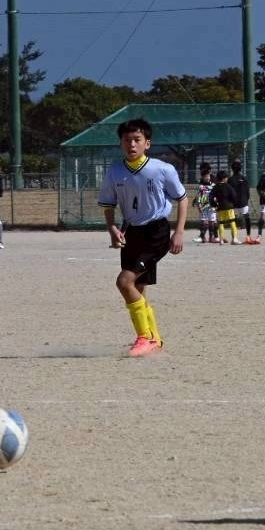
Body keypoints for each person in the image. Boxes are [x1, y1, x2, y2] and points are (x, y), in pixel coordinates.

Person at [99, 117, 188, 357]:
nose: (132, 144)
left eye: (137, 139)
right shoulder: (114, 172)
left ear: (147, 143)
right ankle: (154, 338)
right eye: (127, 140)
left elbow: (182, 199)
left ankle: (144, 337)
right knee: (138, 287)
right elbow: (108, 204)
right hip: (131, 232)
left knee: (124, 282)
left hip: (156, 232)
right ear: (120, 143)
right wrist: (112, 228)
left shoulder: (162, 169)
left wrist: (179, 232)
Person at [229, 159, 253, 245]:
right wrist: (246, 199)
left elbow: (229, 192)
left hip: (234, 203)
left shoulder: (230, 180)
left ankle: (234, 238)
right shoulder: (244, 178)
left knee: (233, 220)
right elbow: (247, 191)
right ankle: (248, 236)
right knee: (247, 218)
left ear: (232, 169)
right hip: (243, 202)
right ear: (240, 169)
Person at [212, 170, 239, 245]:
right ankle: (234, 239)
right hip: (229, 207)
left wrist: (214, 204)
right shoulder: (228, 186)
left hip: (220, 207)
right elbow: (234, 196)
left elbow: (211, 197)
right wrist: (234, 204)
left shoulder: (215, 187)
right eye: (226, 177)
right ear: (224, 178)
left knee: (221, 223)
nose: (227, 179)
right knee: (232, 222)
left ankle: (221, 239)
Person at [195, 162, 214, 243]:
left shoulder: (213, 183)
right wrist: (198, 204)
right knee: (204, 221)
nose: (207, 177)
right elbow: (199, 196)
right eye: (205, 176)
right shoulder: (201, 186)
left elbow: (216, 194)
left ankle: (212, 237)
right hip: (204, 206)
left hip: (212, 206)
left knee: (212, 221)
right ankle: (202, 237)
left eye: (208, 176)